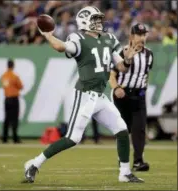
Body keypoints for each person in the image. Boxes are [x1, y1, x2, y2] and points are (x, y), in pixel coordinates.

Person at [24, 6, 144, 183]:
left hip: (100, 96)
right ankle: (34, 163)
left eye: (99, 19)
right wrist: (48, 35)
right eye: (95, 19)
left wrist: (128, 59)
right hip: (85, 95)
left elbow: (120, 67)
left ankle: (124, 173)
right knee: (72, 138)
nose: (99, 22)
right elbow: (60, 47)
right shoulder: (78, 38)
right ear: (84, 22)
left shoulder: (109, 39)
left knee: (121, 129)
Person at [109, 23, 153, 171]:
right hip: (123, 96)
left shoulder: (149, 54)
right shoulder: (122, 52)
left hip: (139, 96)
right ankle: (123, 160)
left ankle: (138, 161)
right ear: (132, 37)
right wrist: (116, 88)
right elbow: (112, 75)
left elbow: (145, 74)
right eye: (139, 35)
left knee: (139, 129)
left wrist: (143, 88)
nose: (142, 38)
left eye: (144, 34)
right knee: (123, 129)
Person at [1, 59, 23, 143]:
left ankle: (4, 138)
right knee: (14, 119)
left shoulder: (4, 76)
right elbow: (20, 86)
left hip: (7, 99)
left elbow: (4, 85)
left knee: (7, 118)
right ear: (13, 66)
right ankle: (15, 138)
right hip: (14, 99)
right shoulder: (14, 76)